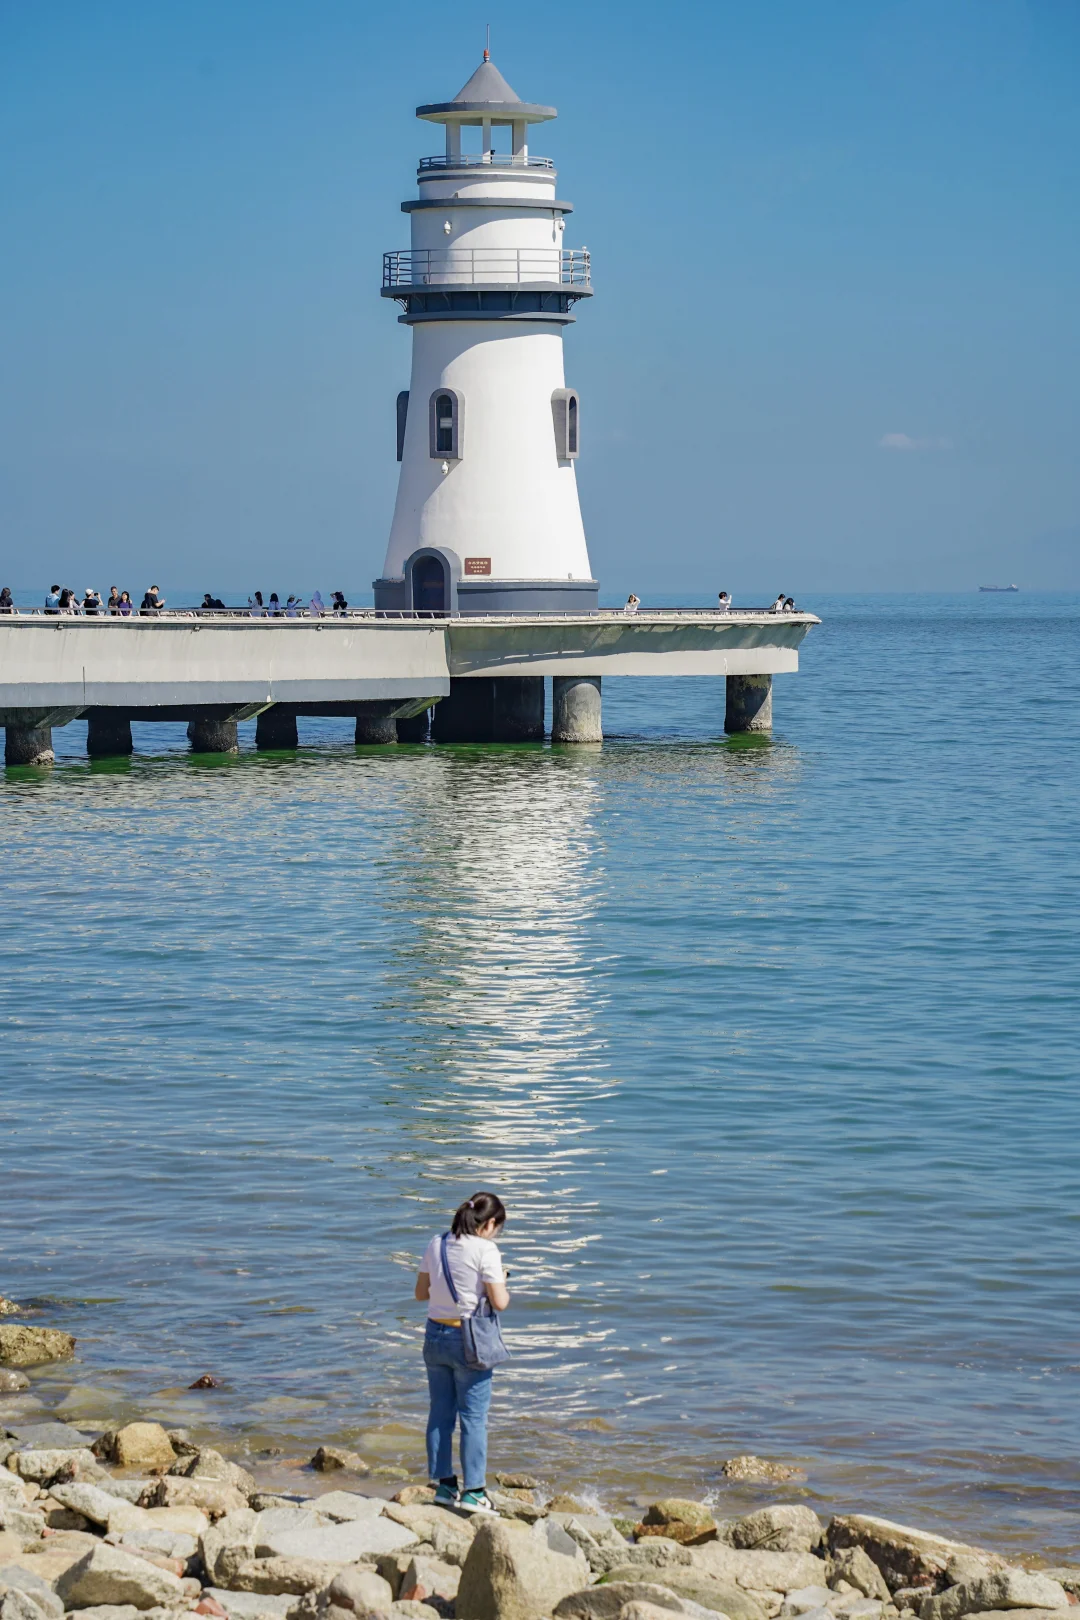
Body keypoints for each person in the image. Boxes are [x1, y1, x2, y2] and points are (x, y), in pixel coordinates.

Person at [415, 1191, 509, 1514]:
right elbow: (500, 1302)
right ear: (490, 1224)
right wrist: (502, 1281)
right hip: (468, 1339)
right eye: (498, 1228)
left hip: (434, 1333)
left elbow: (420, 1293)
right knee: (473, 1417)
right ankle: (475, 1492)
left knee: (440, 1413)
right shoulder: (487, 1250)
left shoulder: (436, 1243)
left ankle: (444, 1486)